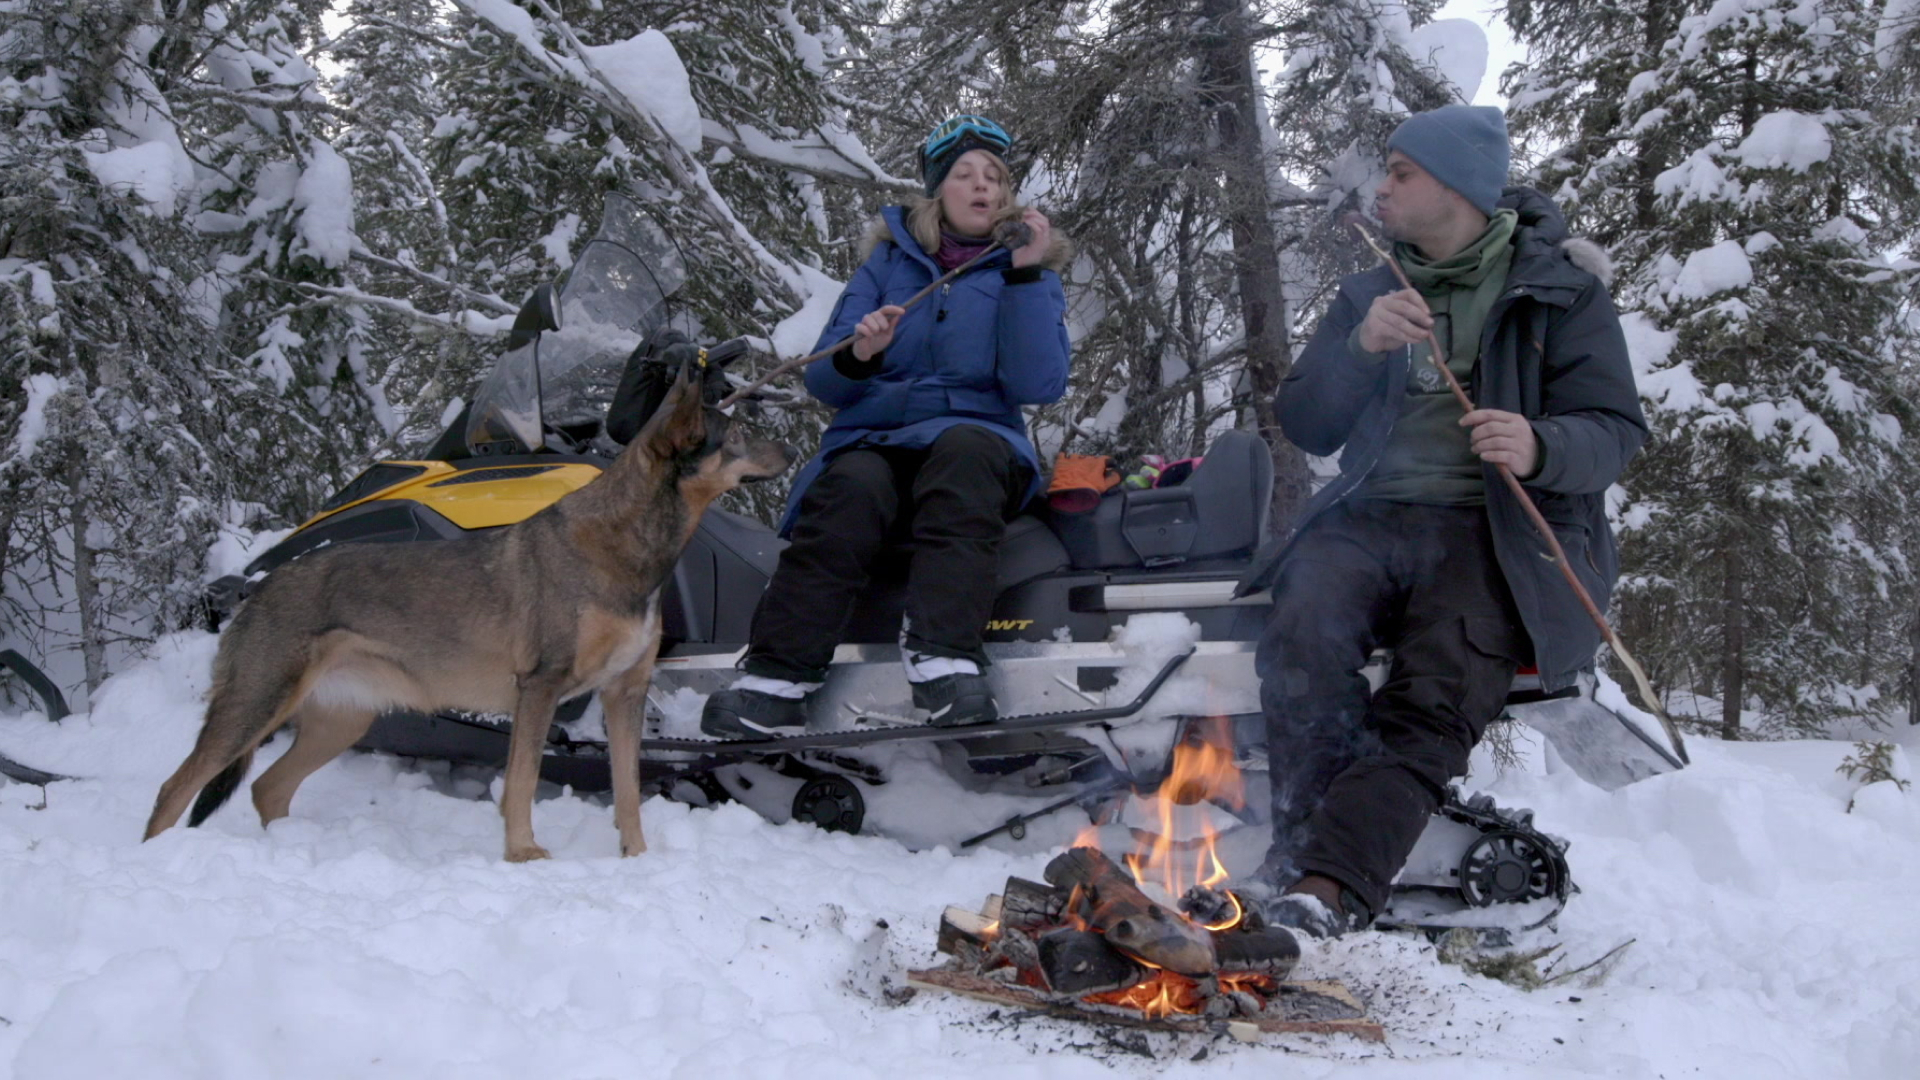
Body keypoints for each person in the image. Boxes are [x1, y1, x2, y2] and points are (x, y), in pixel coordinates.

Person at [1236, 105, 1648, 937]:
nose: (1381, 188)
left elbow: (1614, 433)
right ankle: (1296, 856)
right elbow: (1309, 424)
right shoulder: (1369, 292)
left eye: (1400, 172)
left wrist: (1540, 443)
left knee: (1438, 692)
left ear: (1456, 187)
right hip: (1369, 517)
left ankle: (1326, 885)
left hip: (1492, 533)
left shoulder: (1560, 292)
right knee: (1301, 642)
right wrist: (1360, 354)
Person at [701, 115, 1070, 738]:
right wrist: (861, 353)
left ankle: (944, 659)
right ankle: (776, 678)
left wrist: (1027, 275)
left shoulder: (1027, 272)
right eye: (965, 174)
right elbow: (824, 382)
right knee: (851, 487)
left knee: (965, 454)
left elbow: (1039, 385)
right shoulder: (885, 267)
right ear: (937, 192)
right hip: (875, 438)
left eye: (996, 178)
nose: (983, 187)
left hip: (975, 436)